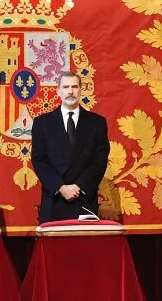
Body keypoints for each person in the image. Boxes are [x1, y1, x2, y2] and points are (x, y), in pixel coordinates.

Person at [31, 71, 110, 224]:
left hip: (84, 199)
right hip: (54, 200)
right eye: (66, 87)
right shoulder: (42, 123)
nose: (70, 91)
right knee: (54, 248)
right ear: (58, 91)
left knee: (84, 247)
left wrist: (79, 186)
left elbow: (100, 161)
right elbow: (39, 160)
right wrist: (60, 187)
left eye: (74, 86)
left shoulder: (97, 123)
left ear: (81, 89)